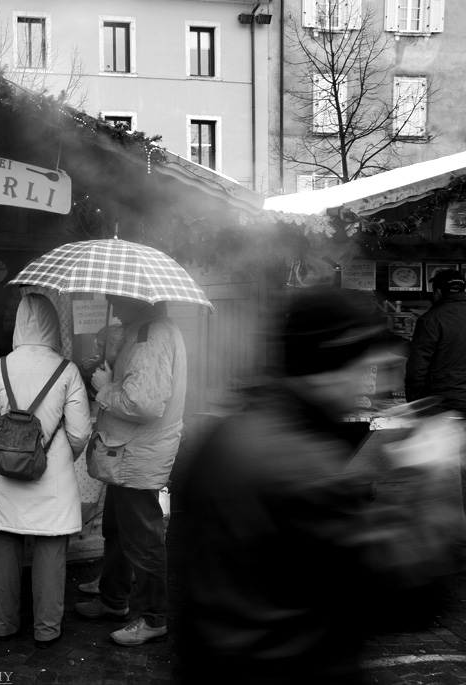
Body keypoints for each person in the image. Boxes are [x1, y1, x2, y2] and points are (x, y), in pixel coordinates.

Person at [176, 286, 466, 685]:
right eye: (365, 369)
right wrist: (435, 475)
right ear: (331, 364)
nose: (371, 388)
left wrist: (381, 463)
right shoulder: (302, 467)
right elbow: (405, 595)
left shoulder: (230, 432)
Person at [0, 293, 92, 648]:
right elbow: (80, 431)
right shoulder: (67, 370)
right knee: (51, 551)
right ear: (55, 326)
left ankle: (4, 625)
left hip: (7, 477)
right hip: (52, 480)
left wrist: (1, 457)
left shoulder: (0, 367)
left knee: (6, 548)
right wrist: (57, 459)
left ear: (18, 325)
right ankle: (46, 630)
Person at [74, 297, 186, 647]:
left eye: (116, 298)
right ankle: (113, 599)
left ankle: (153, 618)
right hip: (128, 452)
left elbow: (144, 403)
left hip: (137, 455)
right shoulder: (144, 331)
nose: (111, 302)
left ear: (136, 299)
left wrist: (104, 387)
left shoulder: (149, 338)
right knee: (118, 530)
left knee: (142, 539)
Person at [405, 268, 466, 414]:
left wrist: (416, 403)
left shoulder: (430, 320)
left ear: (438, 292)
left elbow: (417, 367)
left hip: (444, 403)